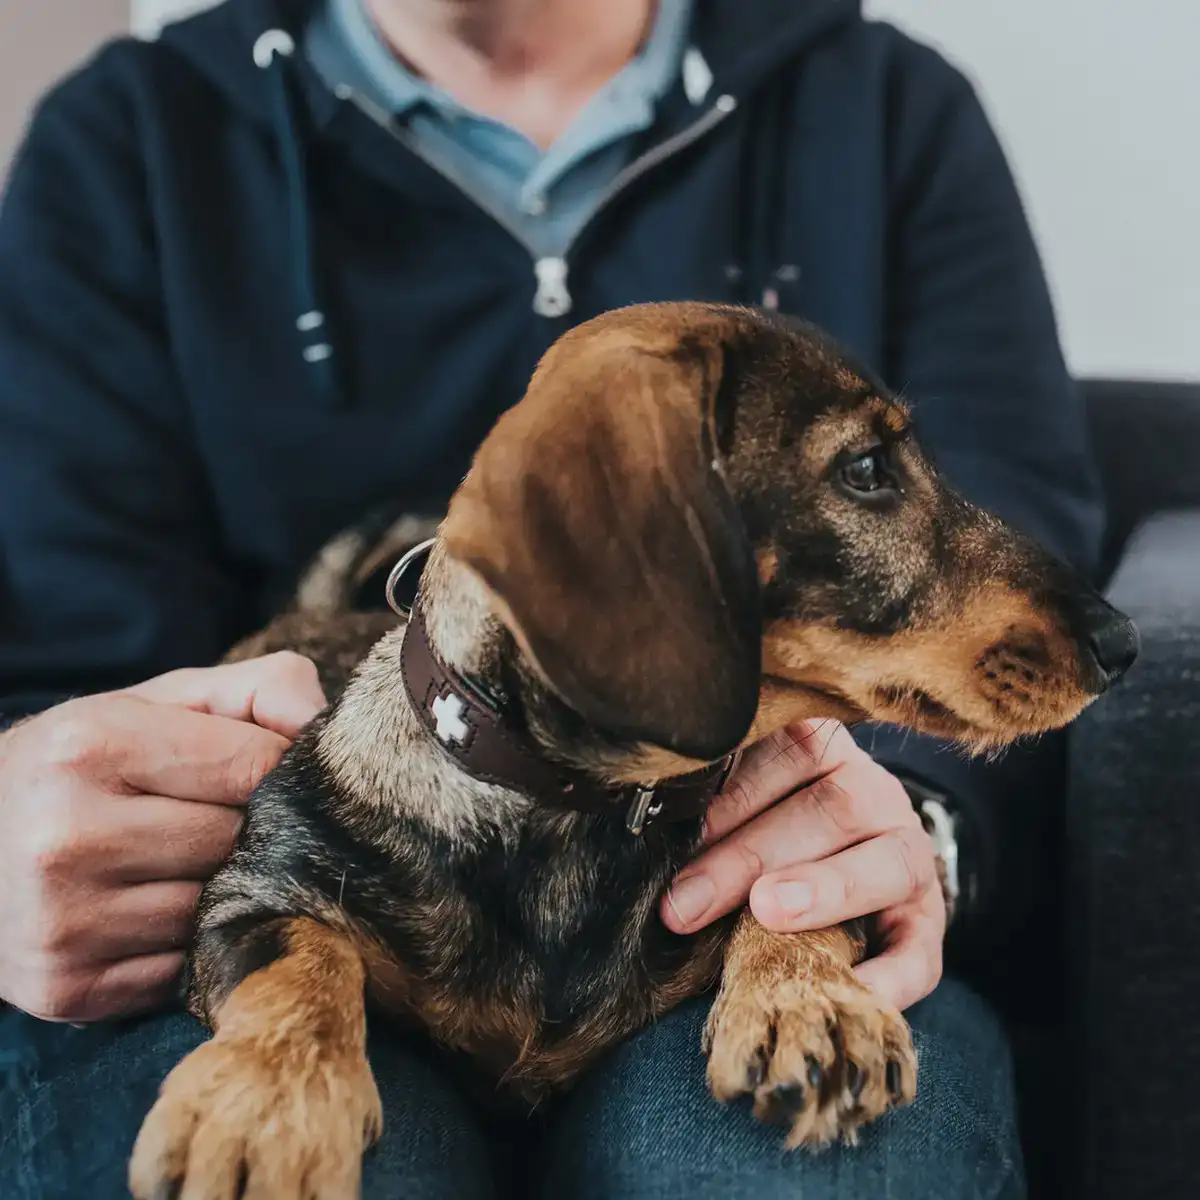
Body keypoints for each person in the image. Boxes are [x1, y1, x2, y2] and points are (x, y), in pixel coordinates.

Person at [0, 0, 1100, 1196]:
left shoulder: (884, 109)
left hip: (735, 873)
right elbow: (53, 655)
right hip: (317, 888)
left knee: (805, 1170)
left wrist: (903, 843)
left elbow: (1014, 546)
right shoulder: (130, 138)